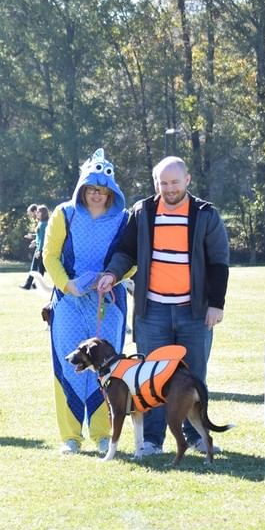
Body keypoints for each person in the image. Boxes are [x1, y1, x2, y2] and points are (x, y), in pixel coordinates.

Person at [97, 155, 229, 455]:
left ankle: (197, 437)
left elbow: (219, 262)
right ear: (156, 183)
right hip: (152, 311)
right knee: (150, 380)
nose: (169, 188)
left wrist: (216, 304)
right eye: (163, 183)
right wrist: (112, 273)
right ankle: (152, 441)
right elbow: (126, 251)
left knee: (193, 377)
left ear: (187, 180)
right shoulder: (142, 211)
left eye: (174, 182)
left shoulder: (206, 214)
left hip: (194, 311)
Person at [43, 149, 130, 455]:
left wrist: (112, 277)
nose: (97, 195)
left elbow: (129, 258)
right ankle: (70, 437)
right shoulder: (64, 213)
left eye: (102, 190)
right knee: (67, 368)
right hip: (68, 303)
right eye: (92, 189)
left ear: (111, 191)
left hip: (109, 304)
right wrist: (68, 285)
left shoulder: (124, 218)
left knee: (107, 368)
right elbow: (49, 255)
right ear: (82, 188)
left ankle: (103, 434)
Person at [20, 203, 40, 289]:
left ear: (35, 211)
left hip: (41, 248)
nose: (29, 216)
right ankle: (35, 285)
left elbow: (44, 235)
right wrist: (33, 237)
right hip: (41, 247)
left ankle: (29, 285)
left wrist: (35, 240)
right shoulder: (40, 221)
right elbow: (41, 235)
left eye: (30, 213)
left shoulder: (42, 221)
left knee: (35, 266)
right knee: (40, 267)